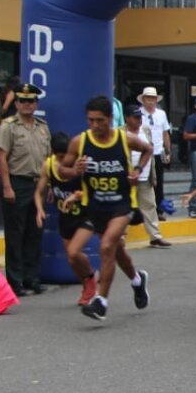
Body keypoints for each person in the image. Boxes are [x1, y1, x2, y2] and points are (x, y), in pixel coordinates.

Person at [58, 95, 153, 322]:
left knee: (107, 245)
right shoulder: (79, 142)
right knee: (116, 250)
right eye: (91, 120)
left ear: (110, 119)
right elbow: (62, 170)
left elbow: (148, 149)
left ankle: (101, 301)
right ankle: (138, 280)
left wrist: (137, 170)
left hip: (122, 203)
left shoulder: (124, 139)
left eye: (100, 120)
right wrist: (75, 171)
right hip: (95, 205)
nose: (95, 125)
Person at [0, 82, 52, 294]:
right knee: (15, 234)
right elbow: (2, 156)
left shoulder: (42, 126)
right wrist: (7, 186)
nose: (27, 104)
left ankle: (32, 278)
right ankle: (15, 280)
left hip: (38, 183)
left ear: (36, 103)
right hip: (17, 182)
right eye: (22, 101)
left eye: (31, 101)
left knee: (34, 233)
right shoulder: (8, 126)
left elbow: (49, 158)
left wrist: (50, 186)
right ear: (16, 103)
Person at [33, 131, 98, 307]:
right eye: (60, 157)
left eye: (66, 156)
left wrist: (76, 196)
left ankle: (92, 279)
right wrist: (39, 210)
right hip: (65, 216)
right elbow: (39, 192)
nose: (63, 161)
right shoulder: (49, 165)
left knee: (74, 251)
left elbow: (94, 190)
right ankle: (87, 283)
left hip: (85, 213)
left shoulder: (82, 165)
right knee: (71, 259)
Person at [123, 104, 171, 249]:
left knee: (150, 206)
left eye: (140, 117)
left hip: (145, 176)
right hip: (127, 178)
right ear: (127, 118)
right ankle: (120, 237)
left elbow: (151, 152)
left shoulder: (146, 130)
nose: (139, 120)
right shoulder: (121, 133)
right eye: (135, 117)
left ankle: (155, 237)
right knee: (123, 208)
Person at [136, 87, 171, 215]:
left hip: (158, 151)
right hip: (143, 153)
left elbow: (165, 133)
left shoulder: (161, 114)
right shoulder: (139, 113)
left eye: (152, 99)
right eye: (147, 98)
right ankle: (141, 210)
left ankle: (159, 210)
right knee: (143, 182)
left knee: (159, 182)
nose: (150, 101)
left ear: (156, 100)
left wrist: (168, 151)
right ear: (143, 100)